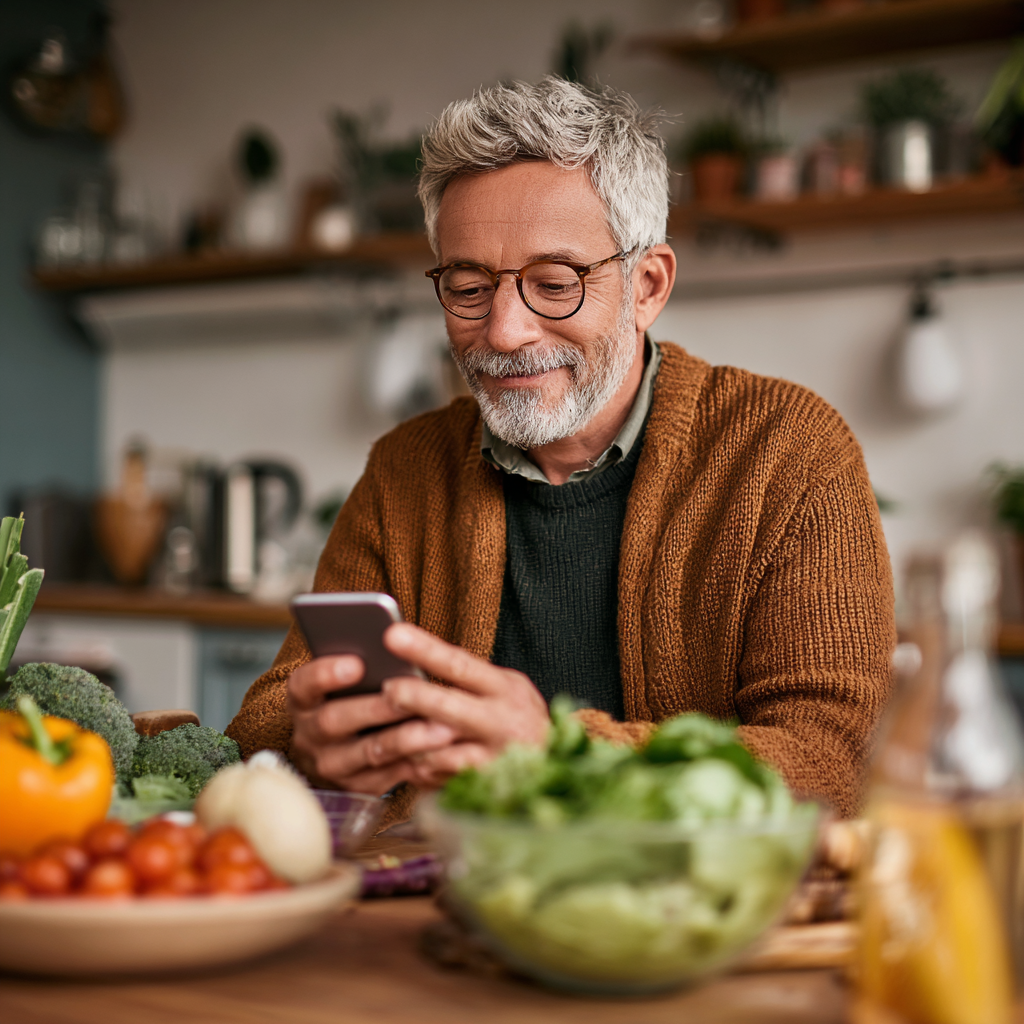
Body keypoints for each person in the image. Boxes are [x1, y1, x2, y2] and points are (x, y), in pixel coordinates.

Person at [226, 78, 895, 818]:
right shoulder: (404, 471)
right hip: (453, 907)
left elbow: (833, 762)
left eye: (554, 283)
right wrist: (311, 744)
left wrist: (560, 755)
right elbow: (264, 719)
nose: (505, 331)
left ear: (647, 285)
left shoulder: (790, 455)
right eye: (468, 286)